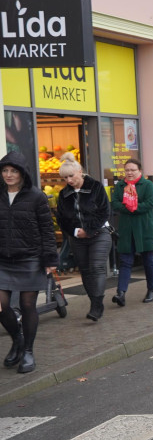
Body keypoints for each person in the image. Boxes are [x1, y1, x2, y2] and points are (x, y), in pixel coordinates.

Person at [0, 152, 58, 374]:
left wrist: (51, 259)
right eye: (5, 170)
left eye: (13, 171)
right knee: (2, 306)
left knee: (27, 305)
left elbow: (47, 230)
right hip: (3, 260)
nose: (8, 175)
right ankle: (17, 339)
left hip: (30, 258)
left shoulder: (36, 196)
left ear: (22, 173)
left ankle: (28, 352)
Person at [56, 158, 112, 322]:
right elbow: (61, 218)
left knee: (96, 267)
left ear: (80, 172)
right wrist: (75, 231)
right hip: (77, 237)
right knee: (85, 271)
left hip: (99, 233)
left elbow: (104, 212)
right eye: (65, 178)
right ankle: (95, 304)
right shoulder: (64, 194)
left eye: (71, 176)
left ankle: (96, 305)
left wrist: (88, 230)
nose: (69, 181)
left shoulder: (95, 187)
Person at [111, 158, 153, 305]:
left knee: (148, 260)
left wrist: (133, 207)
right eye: (127, 170)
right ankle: (121, 293)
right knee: (125, 261)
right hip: (126, 229)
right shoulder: (120, 186)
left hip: (144, 228)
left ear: (140, 171)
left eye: (133, 170)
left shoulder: (147, 185)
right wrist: (128, 207)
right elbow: (116, 203)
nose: (129, 173)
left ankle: (151, 290)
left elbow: (149, 203)